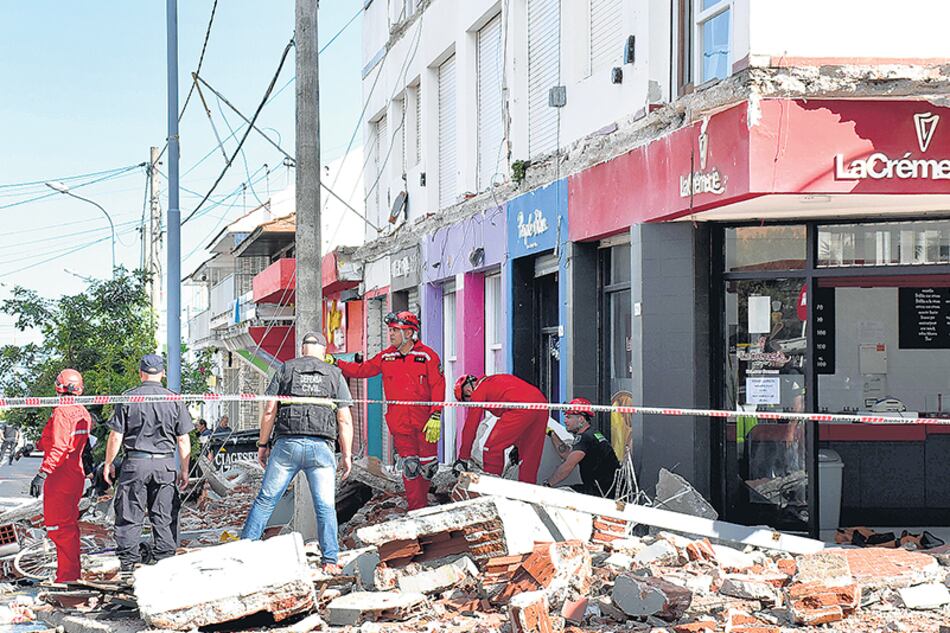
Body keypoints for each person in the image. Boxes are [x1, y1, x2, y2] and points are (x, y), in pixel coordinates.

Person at [242, 332, 353, 573]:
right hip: (321, 449)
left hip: (287, 446)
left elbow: (270, 409)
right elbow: (344, 419)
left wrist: (262, 445)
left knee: (266, 500)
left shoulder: (285, 369)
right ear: (323, 351)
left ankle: (244, 554)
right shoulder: (334, 375)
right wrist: (346, 455)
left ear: (303, 349)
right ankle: (331, 561)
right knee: (325, 506)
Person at [331, 311, 444, 510]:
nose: (390, 334)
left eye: (395, 330)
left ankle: (424, 505)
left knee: (427, 467)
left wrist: (436, 414)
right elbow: (362, 370)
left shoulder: (427, 356)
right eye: (390, 330)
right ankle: (416, 509)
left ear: (409, 333)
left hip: (426, 422)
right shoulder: (386, 356)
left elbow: (438, 386)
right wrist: (336, 363)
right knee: (410, 467)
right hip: (399, 422)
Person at [104, 354, 193, 578]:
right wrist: (184, 470)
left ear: (140, 373)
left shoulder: (128, 398)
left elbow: (116, 436)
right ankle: (165, 569)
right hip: (164, 465)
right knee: (164, 517)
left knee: (129, 517)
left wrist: (108, 464)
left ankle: (128, 570)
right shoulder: (174, 399)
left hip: (135, 464)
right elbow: (183, 440)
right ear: (162, 374)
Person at [29, 369, 91, 582]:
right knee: (68, 527)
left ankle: (66, 578)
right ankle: (70, 574)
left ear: (58, 386)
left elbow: (59, 447)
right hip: (74, 474)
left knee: (59, 529)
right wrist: (34, 446)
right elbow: (58, 439)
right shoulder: (82, 411)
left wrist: (42, 473)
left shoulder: (62, 412)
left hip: (60, 476)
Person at [454, 374, 548, 484]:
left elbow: (470, 426)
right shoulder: (495, 381)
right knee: (530, 455)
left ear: (468, 391)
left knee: (491, 448)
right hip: (541, 403)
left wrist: (463, 458)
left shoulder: (479, 390)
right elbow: (515, 406)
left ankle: (492, 488)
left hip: (520, 407)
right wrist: (517, 444)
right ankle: (528, 493)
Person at [544, 398, 620, 497]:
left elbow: (568, 465)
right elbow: (567, 454)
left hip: (599, 492)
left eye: (569, 417)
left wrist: (547, 485)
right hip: (606, 490)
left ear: (580, 419)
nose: (565, 421)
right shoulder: (592, 434)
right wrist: (552, 433)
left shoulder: (585, 438)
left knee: (556, 496)